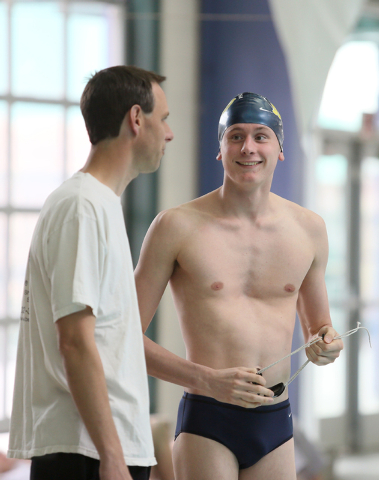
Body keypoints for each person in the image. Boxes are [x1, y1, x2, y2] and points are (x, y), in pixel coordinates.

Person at [134, 92, 344, 480]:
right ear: (220, 148)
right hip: (207, 420)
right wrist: (206, 380)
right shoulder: (175, 227)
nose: (248, 147)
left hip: (275, 421)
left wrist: (326, 344)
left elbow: (320, 329)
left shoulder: (309, 229)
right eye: (235, 136)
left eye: (261, 136)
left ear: (280, 148)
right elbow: (122, 338)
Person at [7, 65, 173, 480]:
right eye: (164, 119)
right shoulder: (81, 207)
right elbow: (76, 343)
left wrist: (206, 380)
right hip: (87, 453)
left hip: (99, 449)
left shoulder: (99, 205)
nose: (169, 134)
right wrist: (112, 456)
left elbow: (116, 341)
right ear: (136, 119)